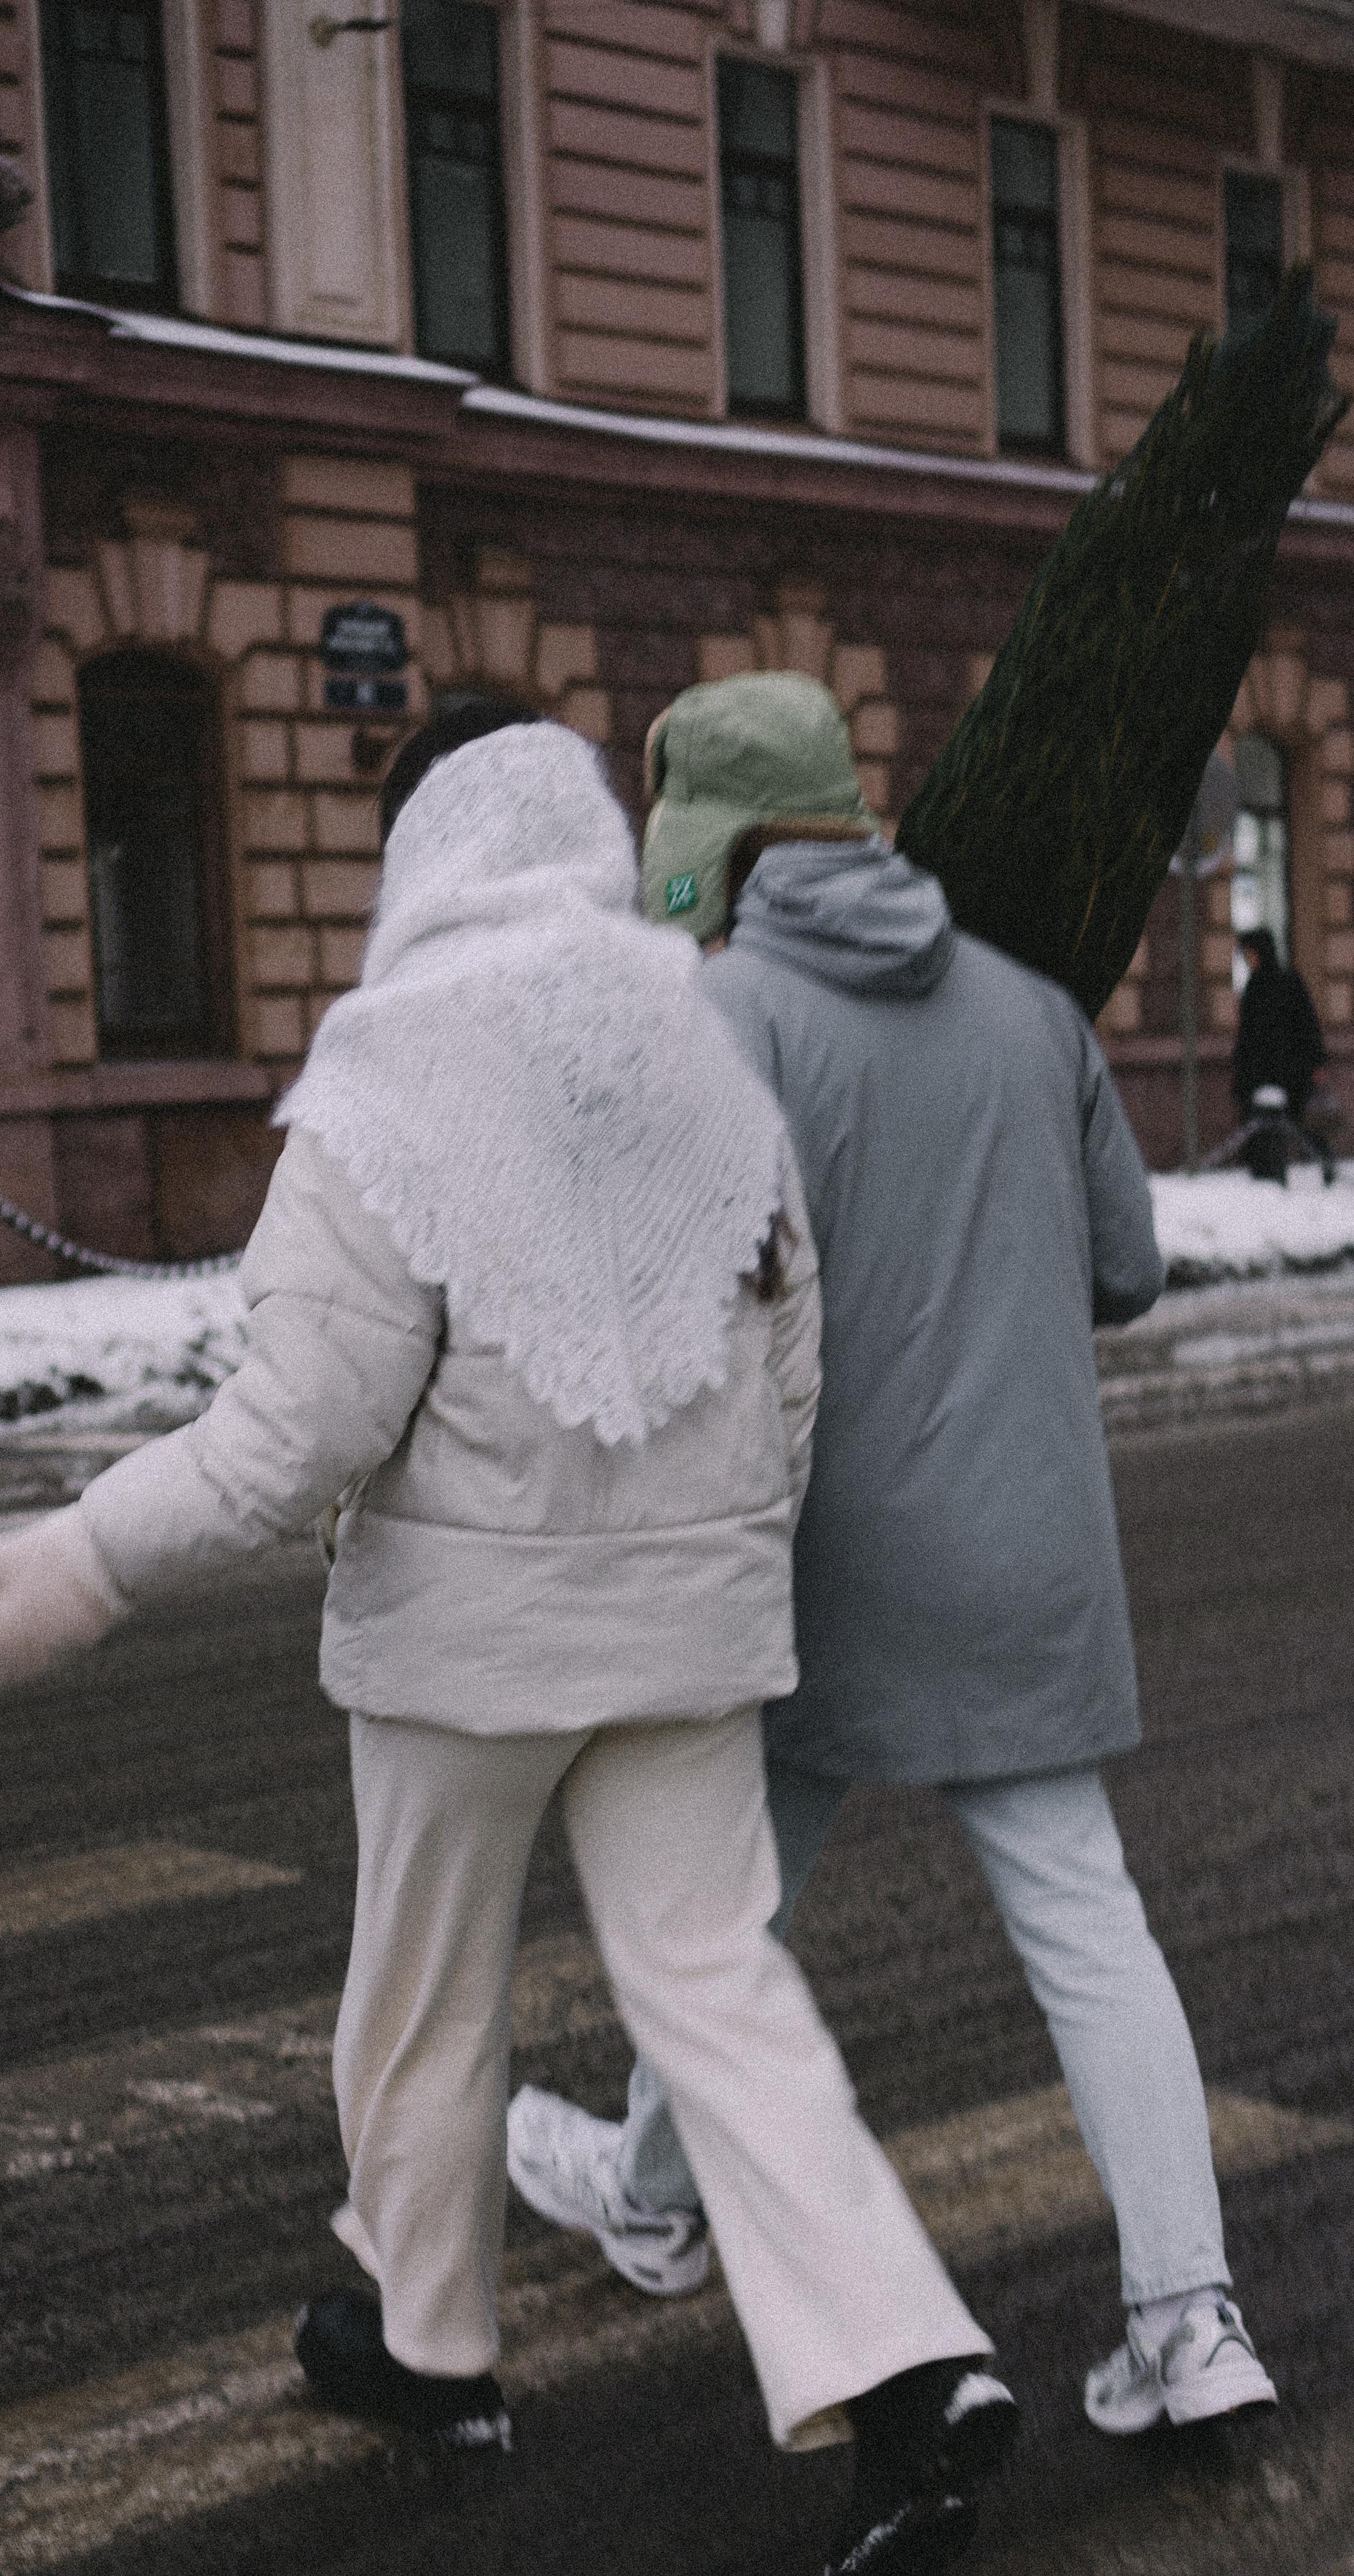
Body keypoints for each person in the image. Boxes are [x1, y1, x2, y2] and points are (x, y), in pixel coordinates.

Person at [0, 717, 1018, 2576]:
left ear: (423, 861)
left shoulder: (391, 1077)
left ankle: (427, 2347)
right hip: (691, 1643)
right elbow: (792, 1360)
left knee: (426, 2000)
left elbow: (298, 1438)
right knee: (722, 2001)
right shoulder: (706, 1045)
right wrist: (716, 1559)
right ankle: (910, 2373)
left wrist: (84, 1558)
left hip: (464, 1657)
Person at [508, 674, 1279, 2441]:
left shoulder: (726, 1022)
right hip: (1030, 1553)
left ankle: (647, 2196)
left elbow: (670, 1303)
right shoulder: (1025, 1007)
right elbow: (1127, 1267)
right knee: (1088, 1929)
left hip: (816, 1563)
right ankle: (1191, 2317)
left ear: (710, 847)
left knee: (725, 1913)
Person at [1230, 925, 1333, 1173]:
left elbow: (1307, 1025)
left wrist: (1316, 1063)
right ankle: (1272, 1169)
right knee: (1279, 1124)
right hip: (1276, 1070)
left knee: (1289, 1123)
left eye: (1250, 953)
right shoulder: (1267, 984)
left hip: (1281, 1070)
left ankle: (1280, 1169)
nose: (1248, 959)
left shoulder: (1276, 984)